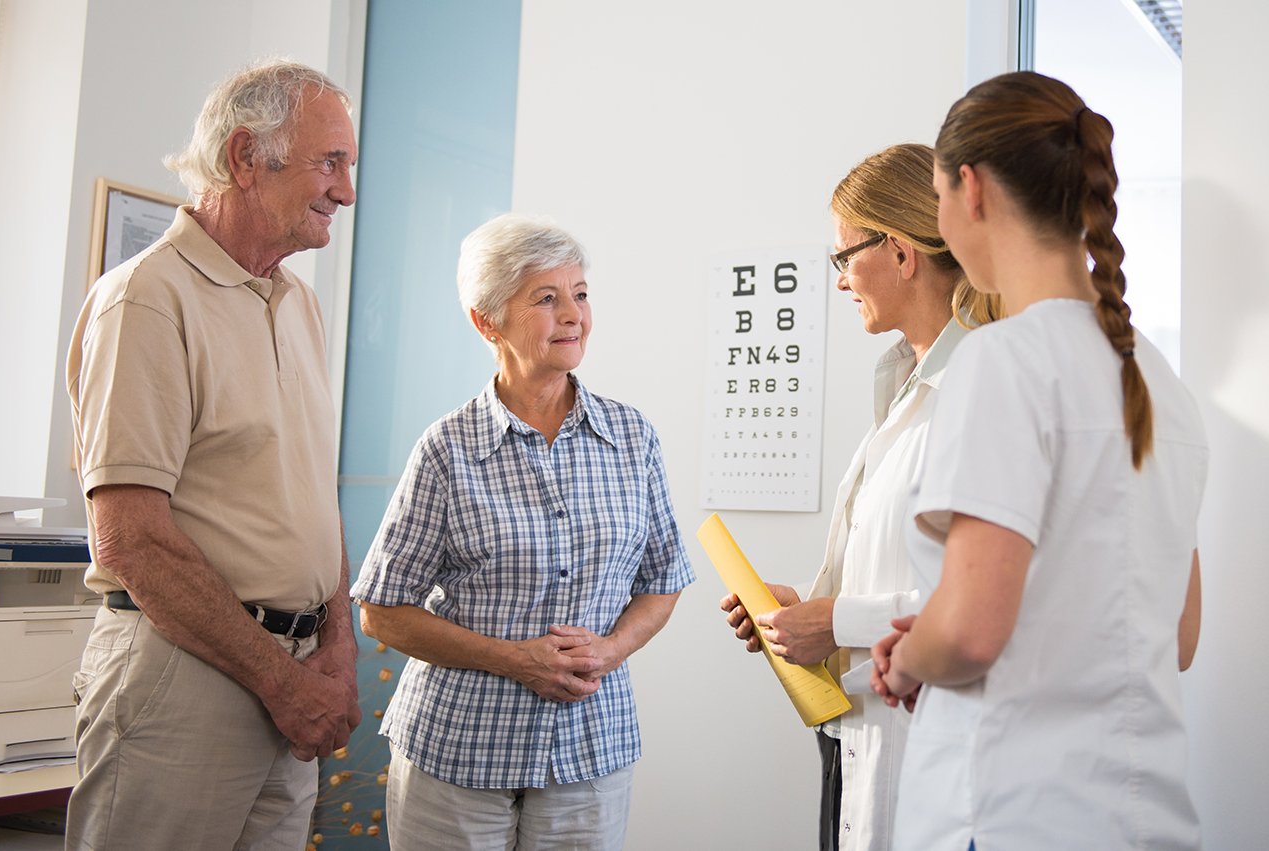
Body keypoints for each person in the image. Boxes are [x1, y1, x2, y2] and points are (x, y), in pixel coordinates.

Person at [871, 71, 1206, 851]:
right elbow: (1177, 636)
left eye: (938, 198)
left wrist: (910, 654)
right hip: (1142, 818)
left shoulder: (1003, 360)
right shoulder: (1159, 381)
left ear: (969, 188)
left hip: (1007, 810)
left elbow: (971, 633)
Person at [65, 60, 361, 850]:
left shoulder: (299, 302)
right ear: (243, 158)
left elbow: (311, 494)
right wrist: (280, 681)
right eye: (329, 162)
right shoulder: (145, 299)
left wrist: (336, 645)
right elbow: (130, 539)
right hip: (183, 674)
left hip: (294, 673)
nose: (346, 189)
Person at [351, 213, 694, 850]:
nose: (574, 315)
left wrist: (610, 651)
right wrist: (517, 661)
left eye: (581, 294)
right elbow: (381, 612)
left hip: (591, 751)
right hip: (458, 754)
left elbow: (664, 581)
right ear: (487, 321)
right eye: (546, 298)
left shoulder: (631, 438)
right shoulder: (448, 449)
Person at [719, 143, 999, 851]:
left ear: (900, 252)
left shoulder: (984, 388)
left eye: (844, 257)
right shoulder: (903, 382)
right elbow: (896, 566)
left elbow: (999, 603)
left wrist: (837, 621)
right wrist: (803, 614)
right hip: (858, 733)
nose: (840, 281)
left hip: (936, 747)